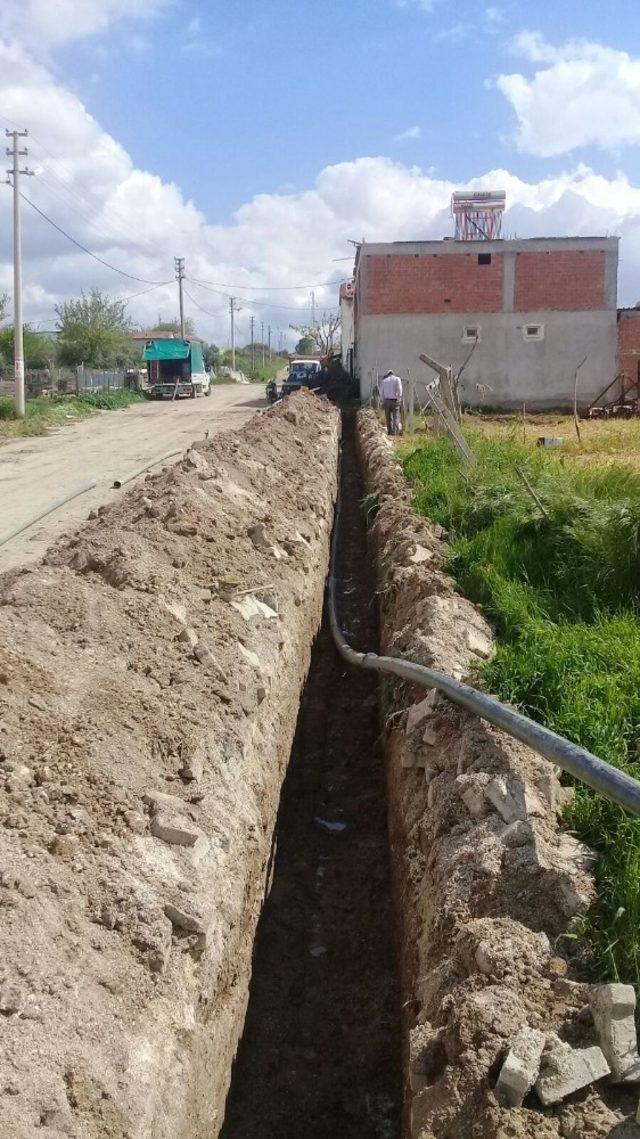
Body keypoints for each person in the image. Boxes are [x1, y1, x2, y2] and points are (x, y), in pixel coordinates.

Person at [381, 369, 403, 435]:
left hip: (387, 401)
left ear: (388, 374)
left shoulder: (384, 381)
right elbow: (400, 390)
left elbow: (382, 392)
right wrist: (399, 398)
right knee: (395, 417)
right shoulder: (397, 379)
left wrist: (383, 401)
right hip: (395, 401)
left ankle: (389, 432)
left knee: (388, 417)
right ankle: (395, 432)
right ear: (393, 373)